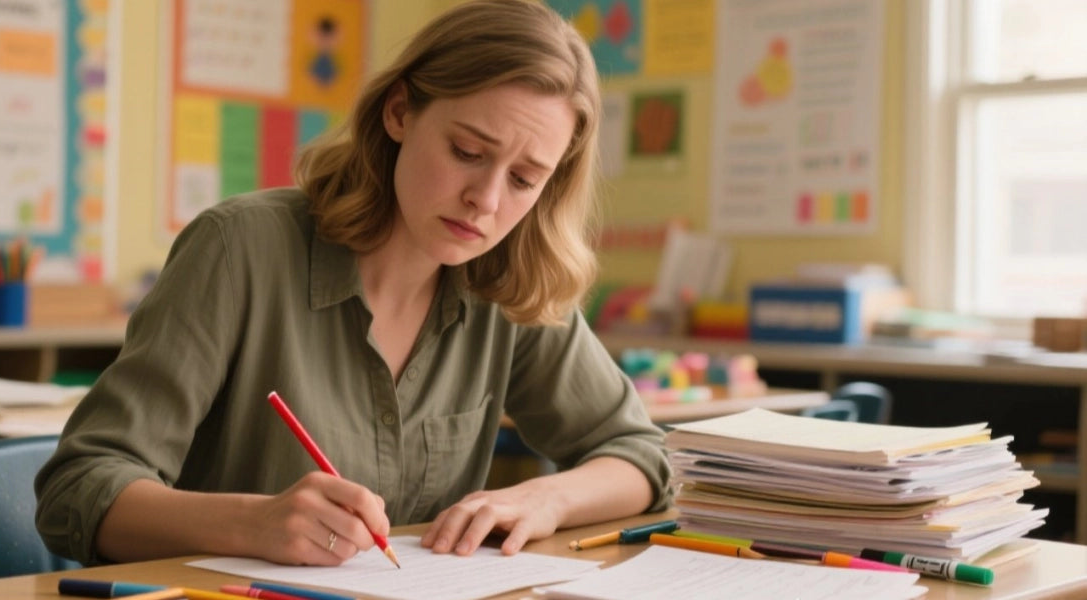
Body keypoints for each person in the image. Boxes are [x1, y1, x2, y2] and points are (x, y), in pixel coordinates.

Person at [35, 0, 670, 568]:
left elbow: (643, 456)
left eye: (524, 179)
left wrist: (548, 497)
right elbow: (77, 490)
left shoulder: (508, 284)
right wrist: (253, 524)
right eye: (467, 152)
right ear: (399, 112)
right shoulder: (238, 251)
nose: (486, 199)